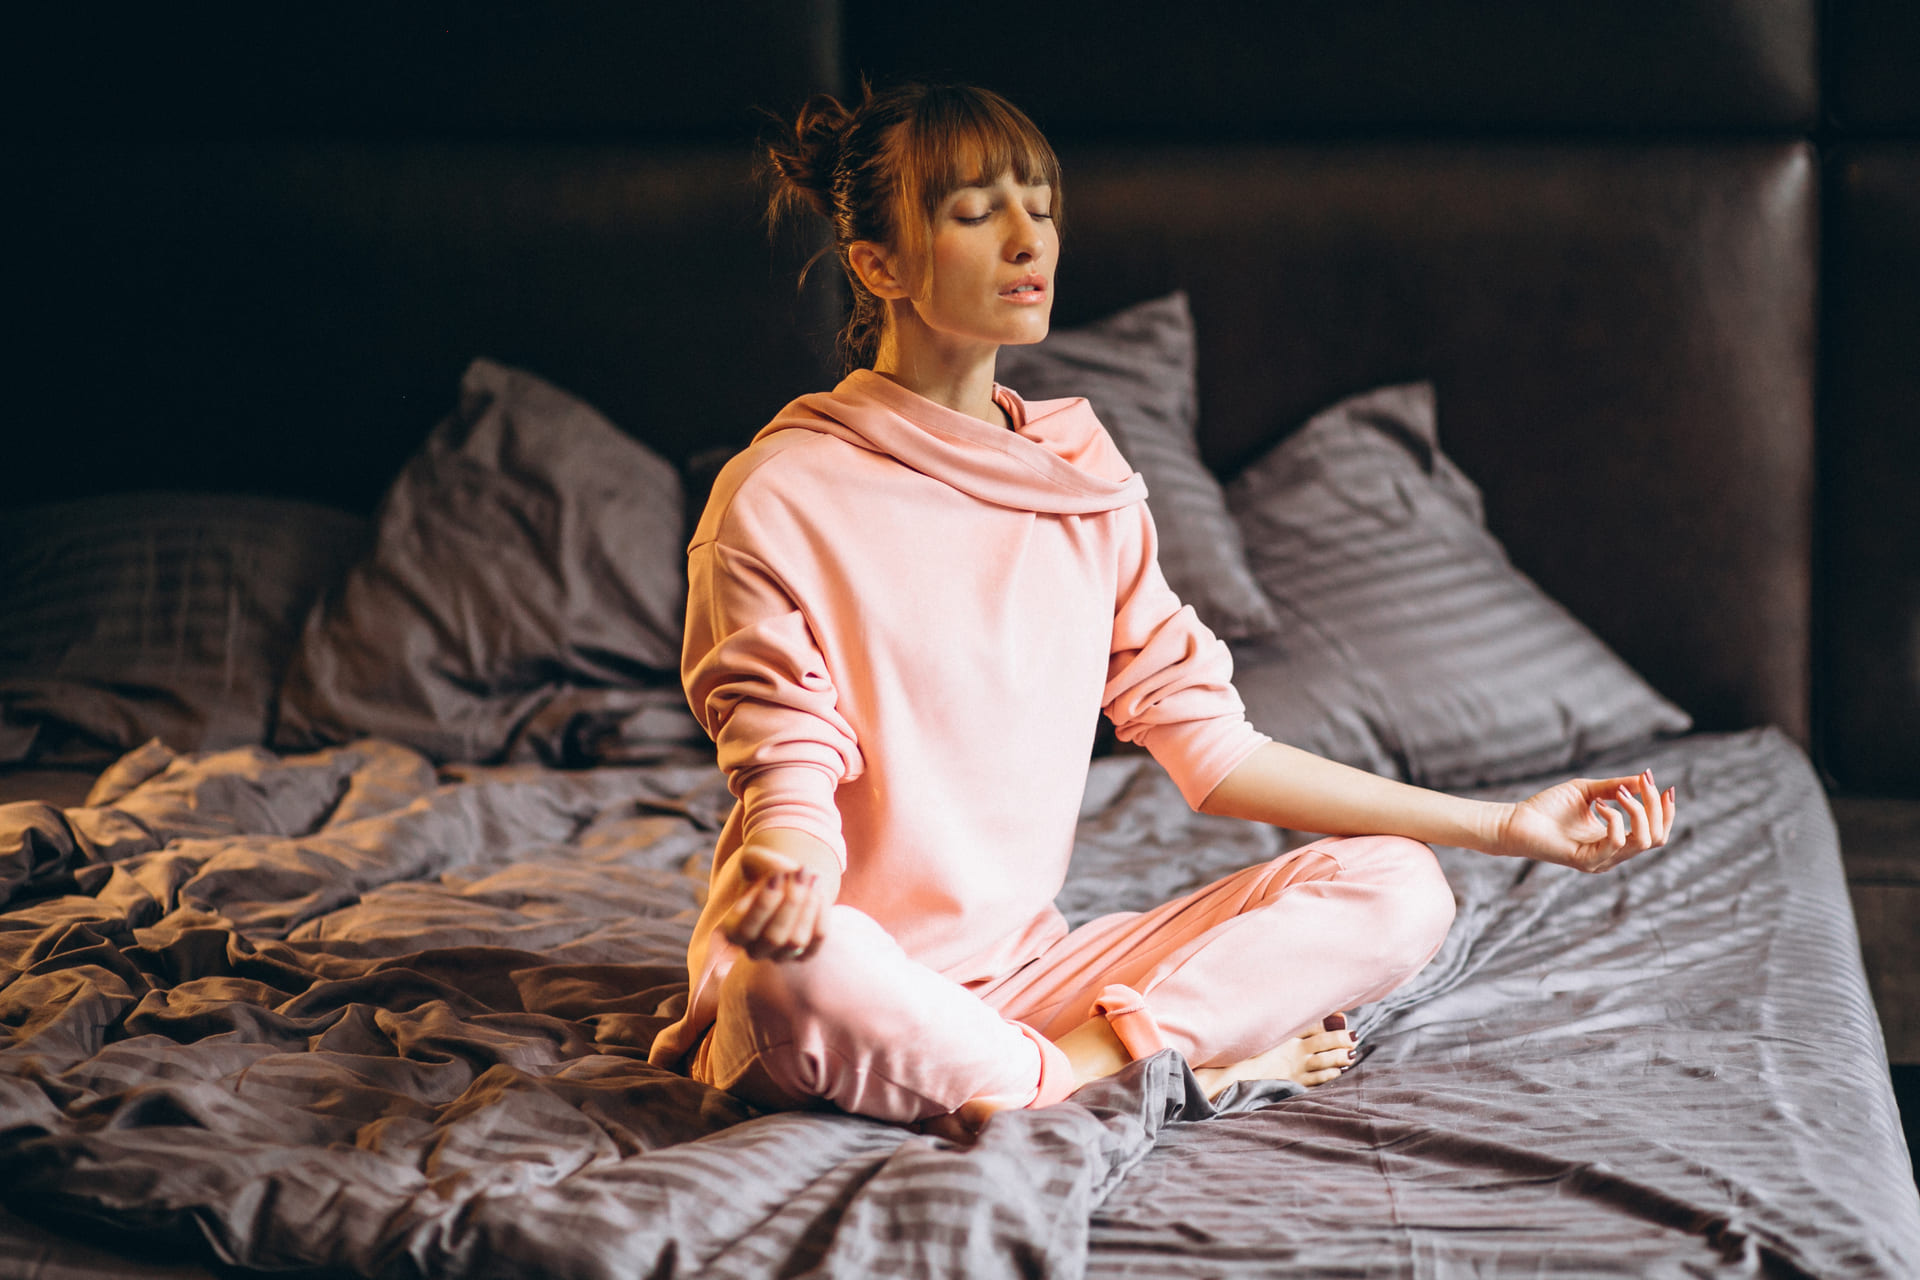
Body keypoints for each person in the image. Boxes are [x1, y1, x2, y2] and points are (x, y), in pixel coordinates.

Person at [647, 81, 1676, 1139]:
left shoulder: (1082, 479)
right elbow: (791, 769)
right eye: (974, 212)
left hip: (1033, 975)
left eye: (1040, 206)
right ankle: (1188, 1067)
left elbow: (1215, 752)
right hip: (845, 972)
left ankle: (1073, 1065)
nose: (1025, 239)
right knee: (794, 973)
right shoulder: (778, 495)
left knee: (1402, 885)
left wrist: (1502, 826)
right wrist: (789, 869)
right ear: (880, 265)